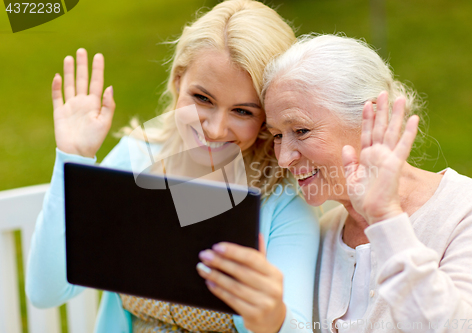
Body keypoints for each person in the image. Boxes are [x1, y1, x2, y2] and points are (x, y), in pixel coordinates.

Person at [25, 2, 320, 333]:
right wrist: (73, 156)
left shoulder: (282, 203)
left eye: (243, 111)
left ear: (267, 118)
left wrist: (269, 317)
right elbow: (46, 291)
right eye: (203, 98)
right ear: (178, 80)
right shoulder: (135, 162)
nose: (216, 129)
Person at [262, 34, 472, 332]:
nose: (284, 158)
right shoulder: (319, 234)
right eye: (277, 135)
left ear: (372, 118)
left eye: (301, 130)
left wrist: (386, 220)